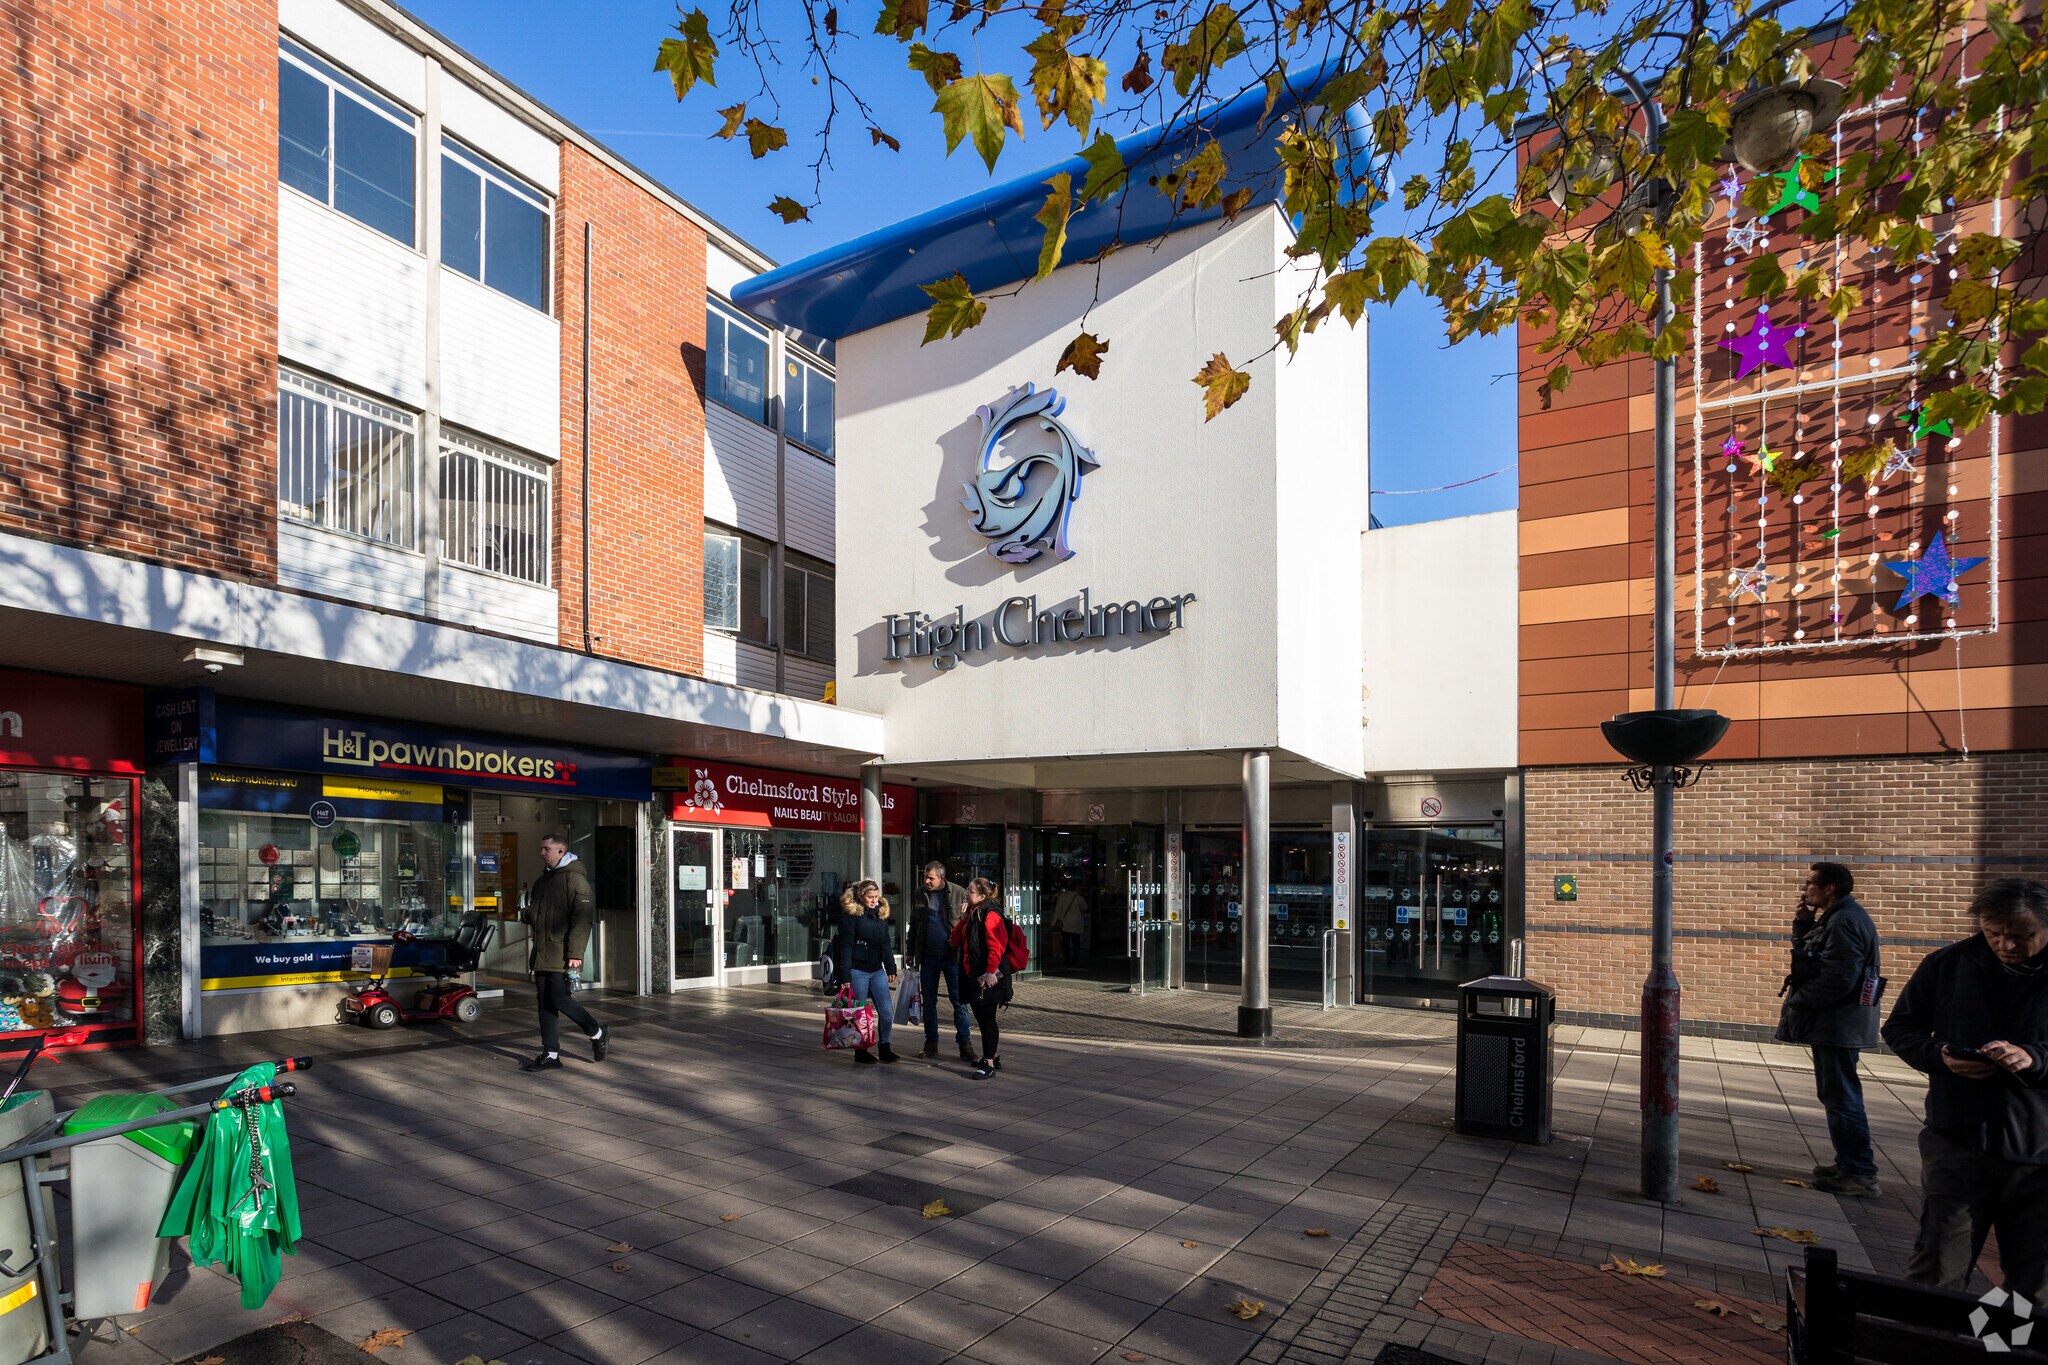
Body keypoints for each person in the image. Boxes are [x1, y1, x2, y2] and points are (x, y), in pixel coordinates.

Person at [1882, 877, 2048, 1301]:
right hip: (1957, 1144)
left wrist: (2034, 1058)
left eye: (2020, 937)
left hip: (2039, 1157)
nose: (2005, 945)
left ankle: (1999, 1352)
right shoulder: (1949, 964)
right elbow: (1900, 1028)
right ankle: (1930, 1351)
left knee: (2031, 1289)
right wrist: (1940, 1056)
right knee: (1937, 1274)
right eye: (1993, 933)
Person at [1775, 861, 1883, 1195]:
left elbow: (1839, 977)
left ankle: (1860, 1173)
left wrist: (1800, 1000)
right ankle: (1849, 1162)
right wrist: (1802, 925)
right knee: (1838, 1094)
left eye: (1810, 883)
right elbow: (1811, 957)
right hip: (1838, 1022)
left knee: (1841, 1097)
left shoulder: (1846, 921)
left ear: (1830, 888)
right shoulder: (1838, 917)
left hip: (1839, 1022)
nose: (1804, 889)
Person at [519, 834, 608, 1072]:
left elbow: (582, 921)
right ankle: (550, 1053)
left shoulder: (576, 880)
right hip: (542, 952)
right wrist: (525, 913)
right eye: (541, 849)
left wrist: (575, 954)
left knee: (560, 1000)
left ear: (561, 851)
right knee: (545, 1004)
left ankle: (597, 1032)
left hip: (563, 954)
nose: (542, 853)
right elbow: (537, 914)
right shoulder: (543, 881)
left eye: (546, 849)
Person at [907, 861, 975, 1062]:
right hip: (928, 956)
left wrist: (959, 940)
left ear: (942, 878)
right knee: (929, 1003)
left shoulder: (959, 892)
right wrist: (910, 952)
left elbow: (969, 924)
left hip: (951, 957)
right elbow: (915, 924)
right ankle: (931, 1044)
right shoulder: (920, 894)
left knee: (959, 1002)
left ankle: (965, 1045)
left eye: (931, 878)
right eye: (925, 877)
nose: (927, 881)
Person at [829, 880, 899, 1065]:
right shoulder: (851, 916)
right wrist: (845, 975)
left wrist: (890, 966)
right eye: (870, 897)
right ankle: (861, 1051)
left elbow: (885, 943)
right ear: (861, 897)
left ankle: (885, 1047)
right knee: (859, 1013)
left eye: (876, 897)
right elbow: (845, 947)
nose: (874, 901)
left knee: (886, 1012)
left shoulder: (880, 915)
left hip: (876, 970)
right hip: (857, 970)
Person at [951, 877, 1012, 1080]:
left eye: (970, 891)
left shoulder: (990, 914)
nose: (966, 894)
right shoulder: (972, 913)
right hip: (974, 973)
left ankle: (988, 1063)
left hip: (989, 975)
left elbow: (997, 946)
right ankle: (991, 1056)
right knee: (980, 1015)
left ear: (982, 896)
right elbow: (956, 940)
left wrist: (990, 971)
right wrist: (962, 920)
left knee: (987, 1018)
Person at [1049, 878, 1087, 969]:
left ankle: (1067, 959)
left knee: (1065, 942)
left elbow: (1057, 911)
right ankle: (1075, 960)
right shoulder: (1078, 897)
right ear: (1075, 888)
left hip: (1064, 923)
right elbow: (1085, 908)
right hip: (1076, 923)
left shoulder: (1062, 896)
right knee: (1076, 942)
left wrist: (1053, 923)